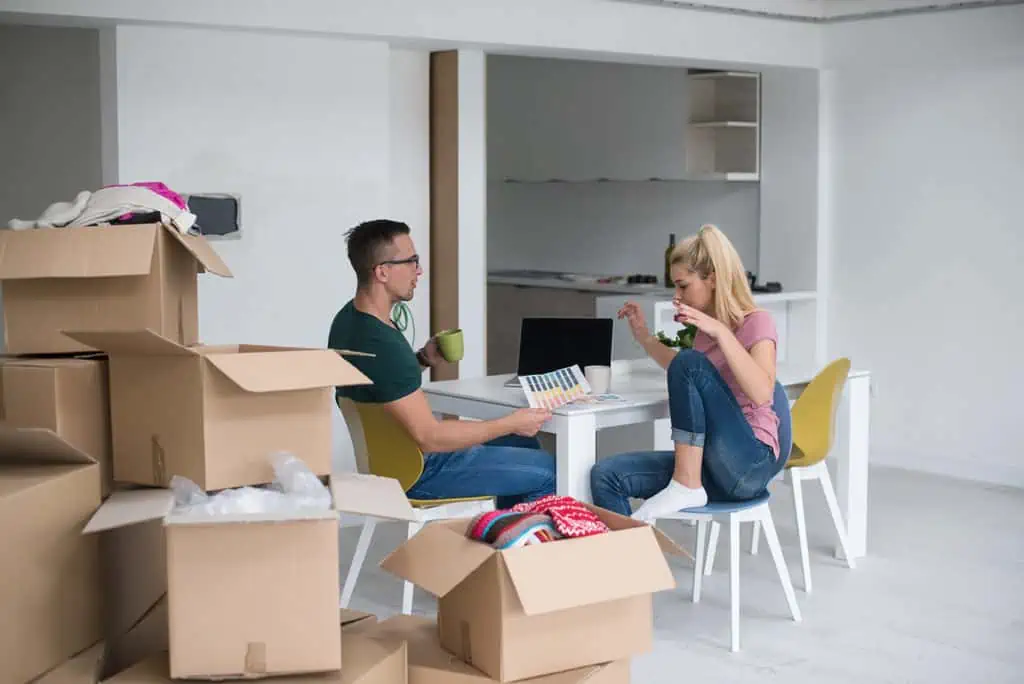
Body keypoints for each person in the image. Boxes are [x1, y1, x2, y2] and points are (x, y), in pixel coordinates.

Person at [328, 219, 556, 508]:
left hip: (391, 463)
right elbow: (430, 437)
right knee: (546, 470)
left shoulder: (348, 322)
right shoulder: (382, 344)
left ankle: (498, 535)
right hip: (420, 472)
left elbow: (382, 384)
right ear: (382, 272)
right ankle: (517, 543)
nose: (419, 271)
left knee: (521, 444)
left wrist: (424, 359)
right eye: (411, 261)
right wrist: (510, 421)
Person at [590, 224, 786, 521]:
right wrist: (643, 335)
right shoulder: (704, 335)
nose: (677, 296)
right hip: (710, 464)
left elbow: (761, 392)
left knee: (689, 362)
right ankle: (632, 564)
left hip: (750, 463)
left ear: (713, 280)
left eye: (683, 285)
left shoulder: (757, 322)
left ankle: (685, 484)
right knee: (606, 475)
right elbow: (683, 372)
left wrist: (720, 331)